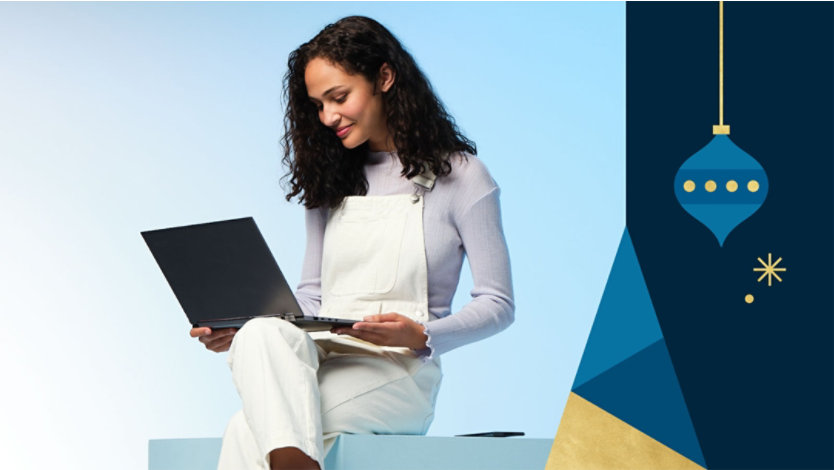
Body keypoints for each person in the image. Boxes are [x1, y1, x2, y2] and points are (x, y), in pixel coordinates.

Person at [190, 16, 514, 470]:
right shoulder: (331, 180)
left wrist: (422, 334)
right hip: (322, 359)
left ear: (384, 77)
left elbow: (498, 304)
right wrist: (240, 325)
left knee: (247, 429)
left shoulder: (461, 177)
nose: (327, 117)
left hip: (397, 371)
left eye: (339, 98)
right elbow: (313, 295)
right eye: (317, 105)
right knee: (263, 331)